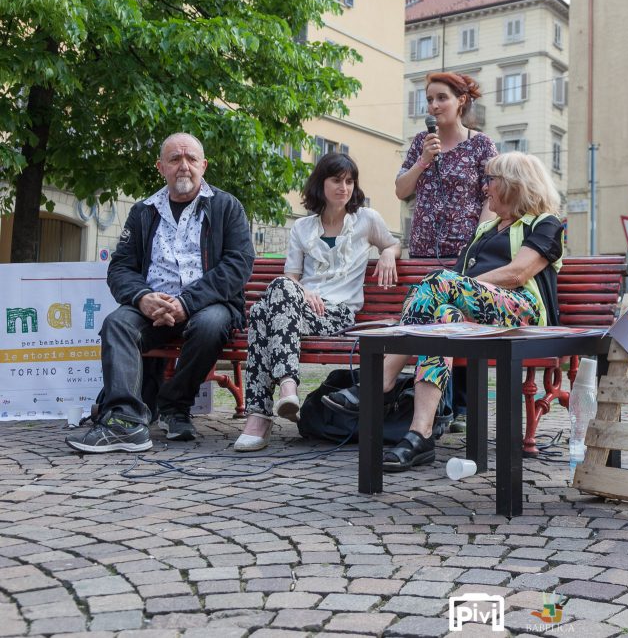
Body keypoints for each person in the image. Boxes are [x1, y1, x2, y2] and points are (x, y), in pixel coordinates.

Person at [335, 151, 563, 472]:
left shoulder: (545, 224)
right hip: (476, 319)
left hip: (522, 316)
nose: (485, 188)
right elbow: (452, 286)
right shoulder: (485, 231)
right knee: (441, 318)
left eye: (490, 180)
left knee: (440, 283)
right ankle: (420, 435)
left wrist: (458, 287)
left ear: (513, 185)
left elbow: (517, 274)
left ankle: (381, 380)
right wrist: (456, 291)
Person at [67, 133, 255, 453]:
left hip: (209, 304)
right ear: (160, 167)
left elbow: (238, 265)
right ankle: (126, 421)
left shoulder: (226, 207)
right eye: (174, 159)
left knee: (209, 325)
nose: (184, 166)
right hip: (152, 304)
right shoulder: (144, 212)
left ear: (204, 166)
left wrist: (186, 303)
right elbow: (121, 268)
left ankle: (173, 407)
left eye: (191, 159)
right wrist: (142, 298)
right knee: (117, 324)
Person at [233, 152, 400, 451]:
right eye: (336, 180)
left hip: (338, 316)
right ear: (320, 184)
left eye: (349, 181)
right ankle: (284, 388)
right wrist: (302, 291)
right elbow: (291, 277)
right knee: (265, 308)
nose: (344, 187)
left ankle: (261, 414)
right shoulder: (302, 228)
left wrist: (388, 252)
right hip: (301, 311)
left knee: (260, 313)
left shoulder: (366, 220)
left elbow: (393, 243)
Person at [396, 71, 498, 260]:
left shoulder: (481, 144)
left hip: (463, 252)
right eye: (429, 99)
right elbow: (401, 191)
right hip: (421, 250)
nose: (434, 105)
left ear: (461, 100)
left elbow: (493, 198)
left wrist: (476, 243)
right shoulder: (421, 141)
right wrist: (423, 160)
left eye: (442, 98)